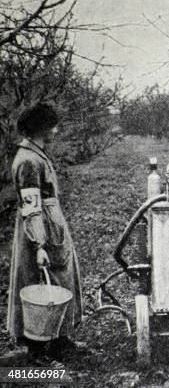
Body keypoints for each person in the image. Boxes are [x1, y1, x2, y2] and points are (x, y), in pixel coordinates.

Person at [7, 103, 83, 362]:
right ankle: (37, 348)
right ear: (42, 129)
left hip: (50, 223)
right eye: (53, 126)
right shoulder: (28, 160)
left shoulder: (37, 154)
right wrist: (39, 244)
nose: (56, 130)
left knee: (59, 279)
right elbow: (31, 209)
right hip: (37, 228)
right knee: (36, 284)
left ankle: (60, 338)